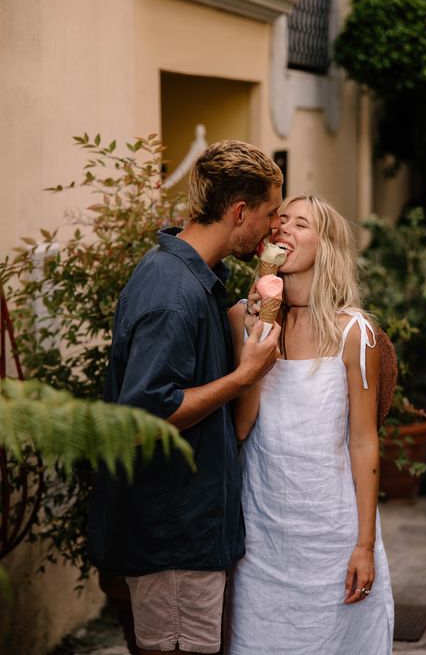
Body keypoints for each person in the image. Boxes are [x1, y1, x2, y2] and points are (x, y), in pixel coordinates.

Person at [88, 140, 284, 655]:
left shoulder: (196, 281)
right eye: (270, 215)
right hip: (171, 537)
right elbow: (149, 413)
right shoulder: (173, 294)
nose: (273, 229)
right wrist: (244, 377)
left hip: (188, 532)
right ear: (240, 211)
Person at [227, 194, 394, 655]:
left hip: (332, 536)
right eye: (279, 222)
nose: (283, 230)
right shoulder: (241, 318)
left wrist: (364, 544)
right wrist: (259, 335)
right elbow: (240, 429)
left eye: (300, 224)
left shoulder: (354, 334)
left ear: (327, 247)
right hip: (263, 539)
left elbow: (363, 443)